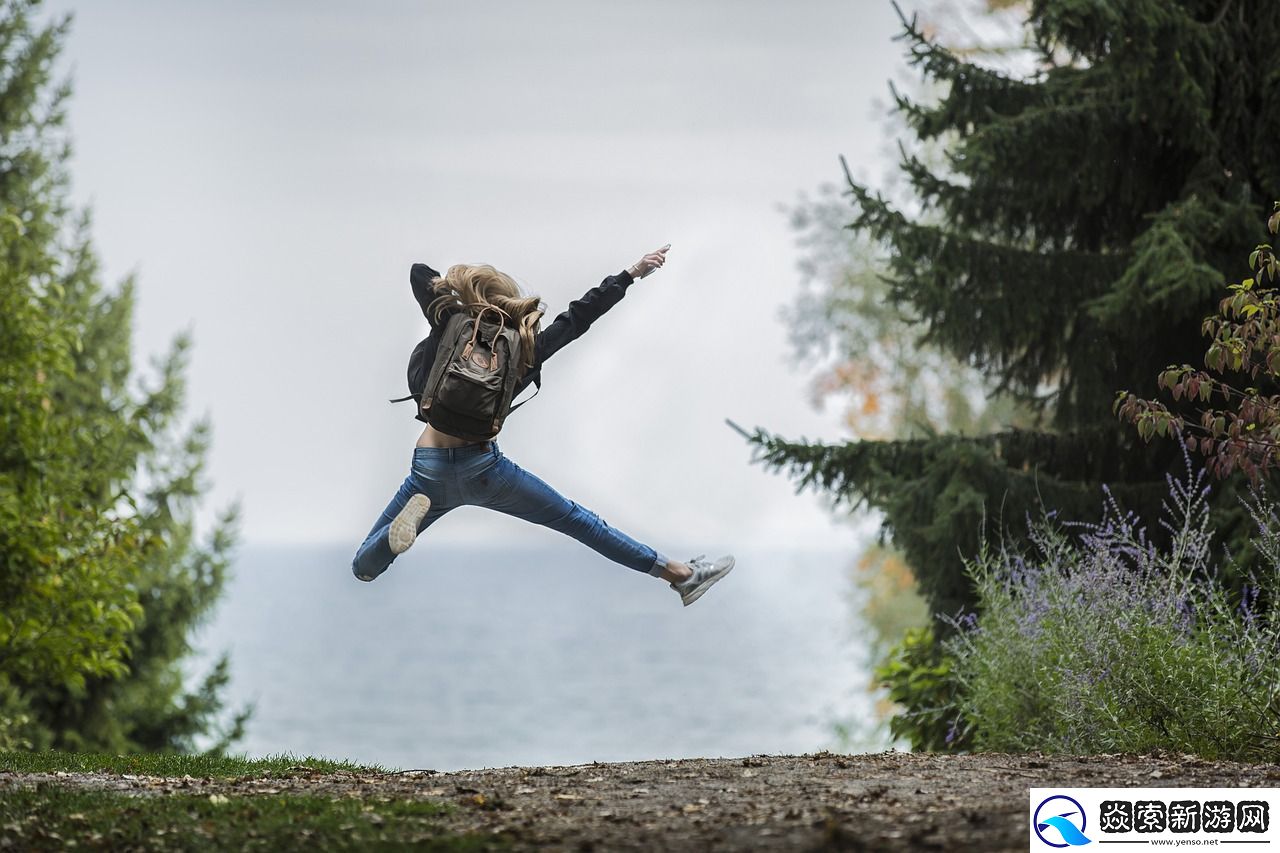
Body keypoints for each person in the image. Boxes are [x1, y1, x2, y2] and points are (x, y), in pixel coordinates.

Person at [350, 244, 735, 607]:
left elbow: (420, 273)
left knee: (363, 567)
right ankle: (680, 575)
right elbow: (578, 319)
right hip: (484, 469)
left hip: (429, 469)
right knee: (580, 522)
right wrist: (630, 274)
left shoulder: (449, 322)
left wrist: (459, 291)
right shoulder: (524, 347)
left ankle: (394, 538)